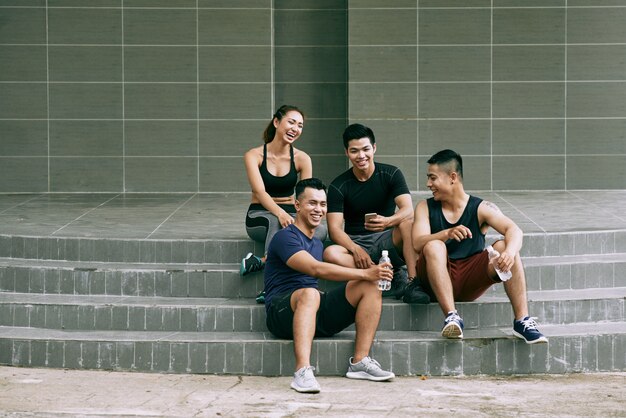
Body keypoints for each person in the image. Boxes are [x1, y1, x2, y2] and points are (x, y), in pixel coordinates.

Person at [264, 178, 395, 393]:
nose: (319, 209)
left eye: (323, 204)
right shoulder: (284, 237)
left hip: (312, 309)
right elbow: (316, 269)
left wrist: (371, 274)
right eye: (312, 203)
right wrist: (365, 272)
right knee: (310, 293)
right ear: (297, 205)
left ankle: (359, 362)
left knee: (369, 285)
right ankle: (302, 372)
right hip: (281, 313)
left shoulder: (316, 242)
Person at [412, 149, 548, 344]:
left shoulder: (481, 207)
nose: (428, 184)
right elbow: (417, 243)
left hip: (469, 279)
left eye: (433, 178)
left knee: (504, 245)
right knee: (434, 246)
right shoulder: (425, 207)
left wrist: (509, 253)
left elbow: (515, 230)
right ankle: (451, 317)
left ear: (452, 177)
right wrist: (446, 234)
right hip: (436, 279)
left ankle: (522, 321)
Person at [322, 123, 429, 303]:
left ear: (374, 148)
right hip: (356, 241)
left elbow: (408, 210)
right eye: (354, 151)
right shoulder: (338, 185)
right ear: (346, 153)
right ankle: (379, 274)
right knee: (330, 253)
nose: (361, 156)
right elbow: (334, 229)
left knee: (408, 223)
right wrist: (355, 249)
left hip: (387, 238)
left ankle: (412, 282)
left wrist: (388, 221)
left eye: (365, 149)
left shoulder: (391, 173)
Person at [241, 105, 327, 303]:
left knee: (320, 230)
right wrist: (280, 212)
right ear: (277, 122)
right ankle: (269, 286)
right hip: (259, 214)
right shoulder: (253, 156)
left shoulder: (302, 158)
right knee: (277, 224)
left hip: (291, 212)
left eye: (300, 125)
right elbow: (260, 192)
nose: (295, 128)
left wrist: (298, 215)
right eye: (291, 122)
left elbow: (306, 195)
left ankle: (260, 261)